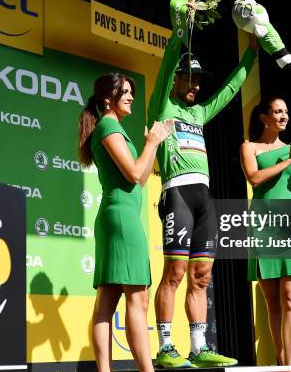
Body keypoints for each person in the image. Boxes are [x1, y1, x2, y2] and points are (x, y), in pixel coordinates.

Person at [149, 0, 258, 368]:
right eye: (190, 79)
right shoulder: (163, 106)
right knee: (175, 273)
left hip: (205, 197)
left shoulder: (198, 111)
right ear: (177, 80)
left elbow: (228, 92)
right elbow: (166, 65)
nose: (195, 85)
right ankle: (166, 346)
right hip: (177, 192)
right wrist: (183, 30)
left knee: (203, 275)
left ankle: (198, 347)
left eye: (198, 80)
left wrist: (251, 54)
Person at [78, 73, 172, 372]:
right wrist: (152, 142)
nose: (131, 97)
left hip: (121, 216)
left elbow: (140, 180)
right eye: (125, 92)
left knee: (109, 297)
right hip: (119, 218)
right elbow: (133, 173)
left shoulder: (114, 127)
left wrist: (151, 145)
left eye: (132, 92)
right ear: (109, 99)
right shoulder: (107, 125)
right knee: (137, 297)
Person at [239, 96, 291, 366]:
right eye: (277, 111)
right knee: (272, 301)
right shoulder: (249, 147)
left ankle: (290, 367)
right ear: (264, 117)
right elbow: (254, 178)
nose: (284, 116)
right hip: (262, 226)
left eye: (286, 111)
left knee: (290, 299)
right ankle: (283, 363)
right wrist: (288, 161)